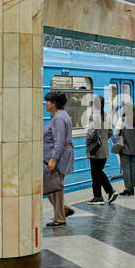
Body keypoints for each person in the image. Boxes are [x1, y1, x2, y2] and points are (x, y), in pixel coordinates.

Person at [43, 91, 76, 226]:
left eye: (48, 102)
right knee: (53, 186)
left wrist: (53, 158)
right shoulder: (62, 115)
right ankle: (63, 209)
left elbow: (59, 140)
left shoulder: (58, 118)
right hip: (56, 156)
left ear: (54, 104)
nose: (46, 104)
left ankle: (60, 217)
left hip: (57, 158)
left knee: (55, 188)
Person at [84, 95, 118, 205]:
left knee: (95, 173)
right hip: (104, 149)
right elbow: (110, 133)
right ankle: (110, 191)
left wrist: (89, 144)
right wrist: (103, 141)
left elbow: (91, 132)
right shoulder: (107, 116)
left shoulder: (94, 116)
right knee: (99, 172)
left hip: (96, 150)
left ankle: (98, 197)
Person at [112, 93, 135, 195]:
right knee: (132, 168)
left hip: (124, 148)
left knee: (125, 168)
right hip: (133, 148)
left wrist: (116, 142)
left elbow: (115, 133)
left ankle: (127, 188)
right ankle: (132, 188)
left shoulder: (122, 120)